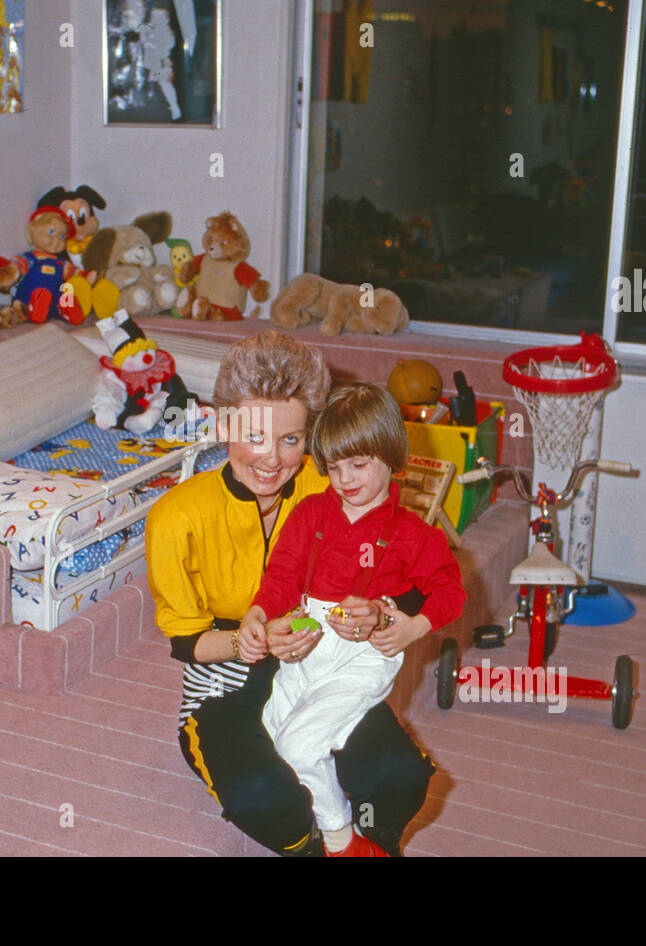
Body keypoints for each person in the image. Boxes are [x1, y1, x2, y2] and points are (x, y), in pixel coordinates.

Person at [145, 331, 439, 856]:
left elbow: (411, 581)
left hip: (319, 674)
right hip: (224, 693)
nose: (272, 460)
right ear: (223, 424)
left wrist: (379, 613)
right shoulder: (175, 517)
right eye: (254, 436)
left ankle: (372, 844)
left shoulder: (328, 492)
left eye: (291, 440)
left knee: (400, 777)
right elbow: (186, 640)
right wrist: (248, 641)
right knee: (268, 800)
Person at [239, 383, 465, 856]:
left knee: (299, 748)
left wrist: (412, 626)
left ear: (391, 456)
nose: (344, 479)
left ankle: (345, 844)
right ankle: (330, 815)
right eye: (334, 467)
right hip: (307, 650)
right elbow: (281, 576)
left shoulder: (410, 533)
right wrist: (259, 613)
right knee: (278, 738)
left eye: (358, 464)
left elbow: (451, 592)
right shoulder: (309, 513)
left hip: (360, 659)